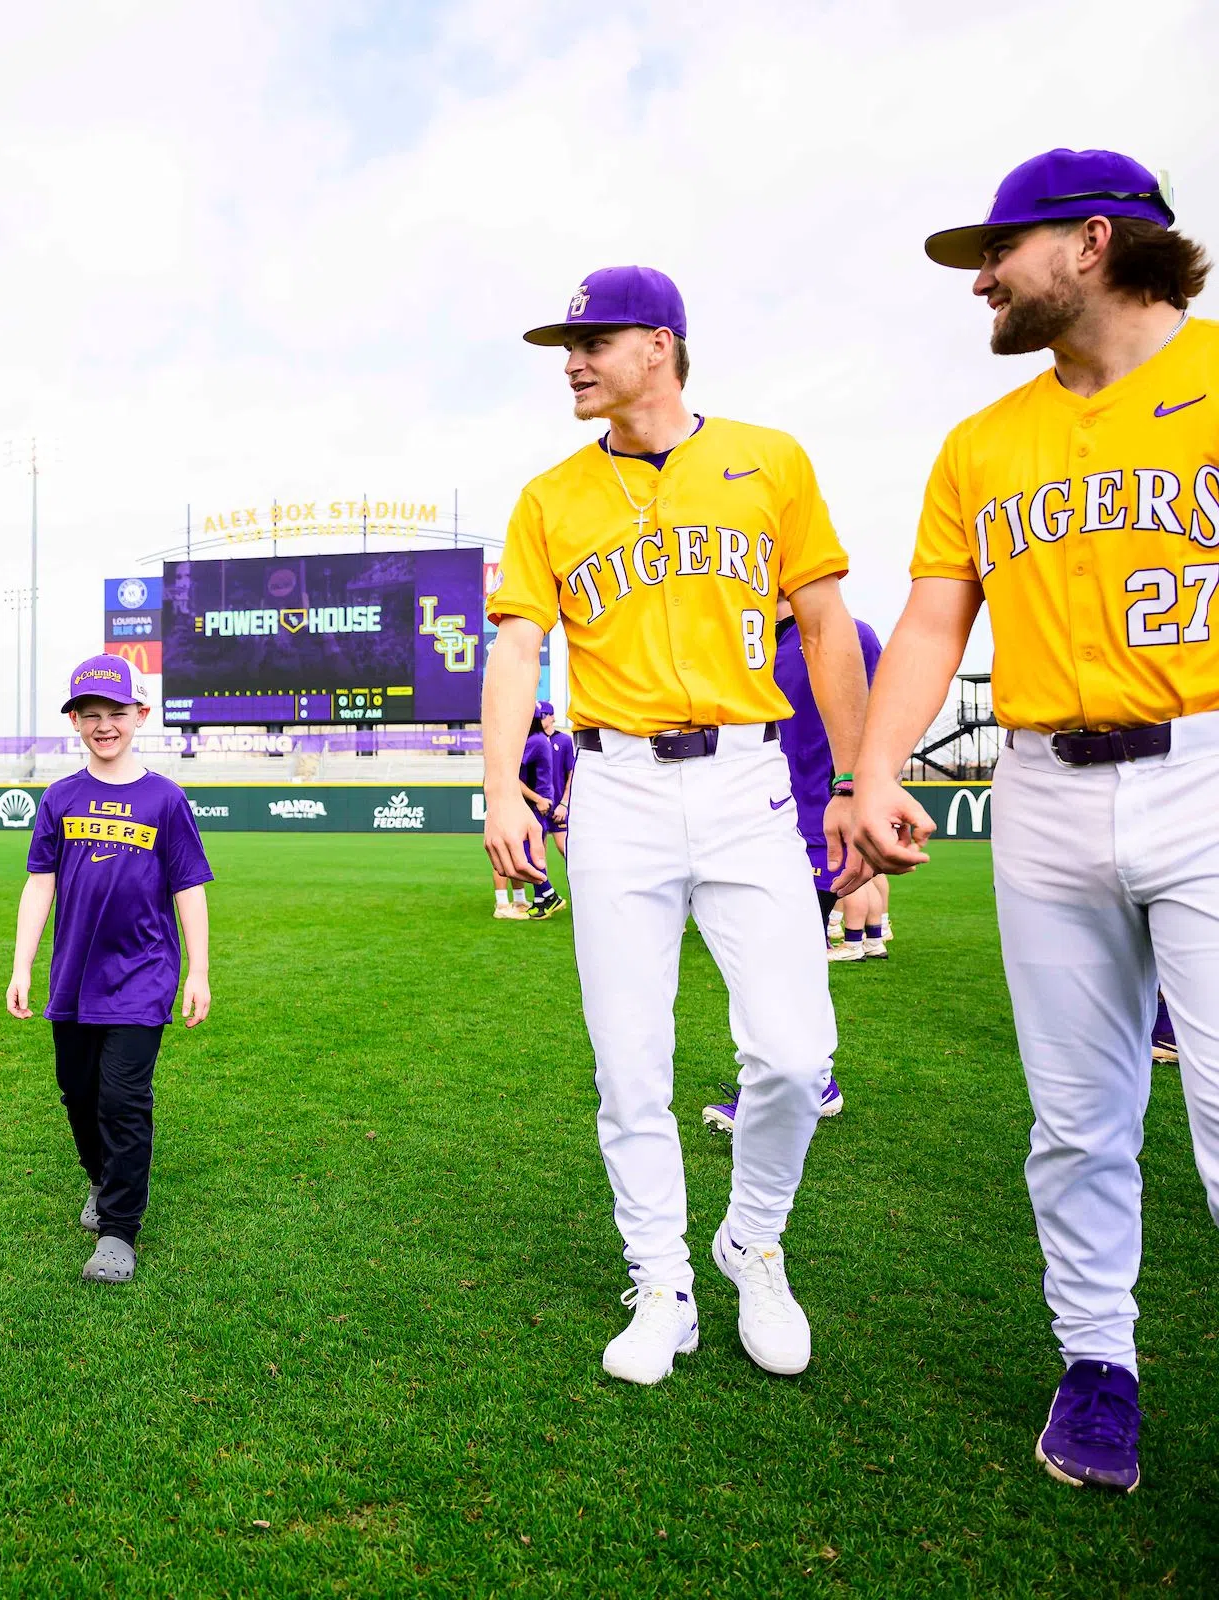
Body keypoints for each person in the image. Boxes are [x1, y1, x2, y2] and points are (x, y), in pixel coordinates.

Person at [852, 148, 1217, 1494]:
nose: (983, 278)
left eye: (998, 251)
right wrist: (876, 766)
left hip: (1211, 771)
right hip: (1044, 791)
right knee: (1077, 1116)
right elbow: (940, 618)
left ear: (1098, 241)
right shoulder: (983, 442)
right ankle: (1099, 1360)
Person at [483, 266, 872, 1387]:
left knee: (796, 1057)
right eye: (567, 342)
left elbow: (826, 621)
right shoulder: (550, 494)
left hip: (748, 779)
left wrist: (855, 777)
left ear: (661, 344)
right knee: (630, 1065)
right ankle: (662, 1277)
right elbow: (517, 647)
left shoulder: (773, 458)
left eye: (593, 339)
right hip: (618, 791)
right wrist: (503, 786)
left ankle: (751, 1240)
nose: (572, 358)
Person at [7, 654, 213, 1285]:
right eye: (90, 714)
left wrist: (198, 972)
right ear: (75, 722)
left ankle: (120, 1231)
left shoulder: (166, 800)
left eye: (116, 713)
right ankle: (101, 1180)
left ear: (140, 716)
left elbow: (190, 890)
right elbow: (38, 886)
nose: (104, 725)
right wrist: (21, 966)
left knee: (123, 1100)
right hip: (73, 978)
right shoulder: (60, 797)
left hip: (143, 976)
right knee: (78, 1092)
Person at [704, 593, 873, 1130]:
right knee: (781, 957)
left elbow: (885, 713)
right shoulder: (742, 643)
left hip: (819, 820)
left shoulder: (850, 634)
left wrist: (860, 789)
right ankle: (810, 1077)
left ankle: (811, 1080)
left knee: (780, 959)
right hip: (756, 820)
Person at [519, 699, 572, 918]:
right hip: (540, 801)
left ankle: (548, 893)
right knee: (535, 850)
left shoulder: (536, 741)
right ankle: (541, 900)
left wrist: (555, 801)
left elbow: (512, 776)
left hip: (539, 803)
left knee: (526, 851)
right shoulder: (538, 739)